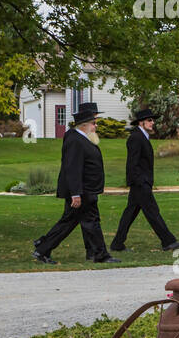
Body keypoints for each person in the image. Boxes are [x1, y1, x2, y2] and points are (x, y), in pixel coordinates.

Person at [33, 103, 119, 265]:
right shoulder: (75, 140)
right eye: (94, 123)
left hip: (86, 190)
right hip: (83, 191)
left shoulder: (82, 138)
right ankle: (101, 255)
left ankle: (42, 247)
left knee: (69, 222)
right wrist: (75, 193)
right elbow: (72, 168)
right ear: (84, 125)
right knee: (91, 222)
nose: (96, 126)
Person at [109, 108, 179, 253]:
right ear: (141, 122)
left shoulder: (142, 136)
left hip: (142, 182)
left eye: (152, 120)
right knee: (152, 211)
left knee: (130, 213)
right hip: (140, 183)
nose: (152, 123)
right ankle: (168, 241)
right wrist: (140, 181)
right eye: (149, 120)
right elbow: (132, 163)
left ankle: (117, 244)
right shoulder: (136, 137)